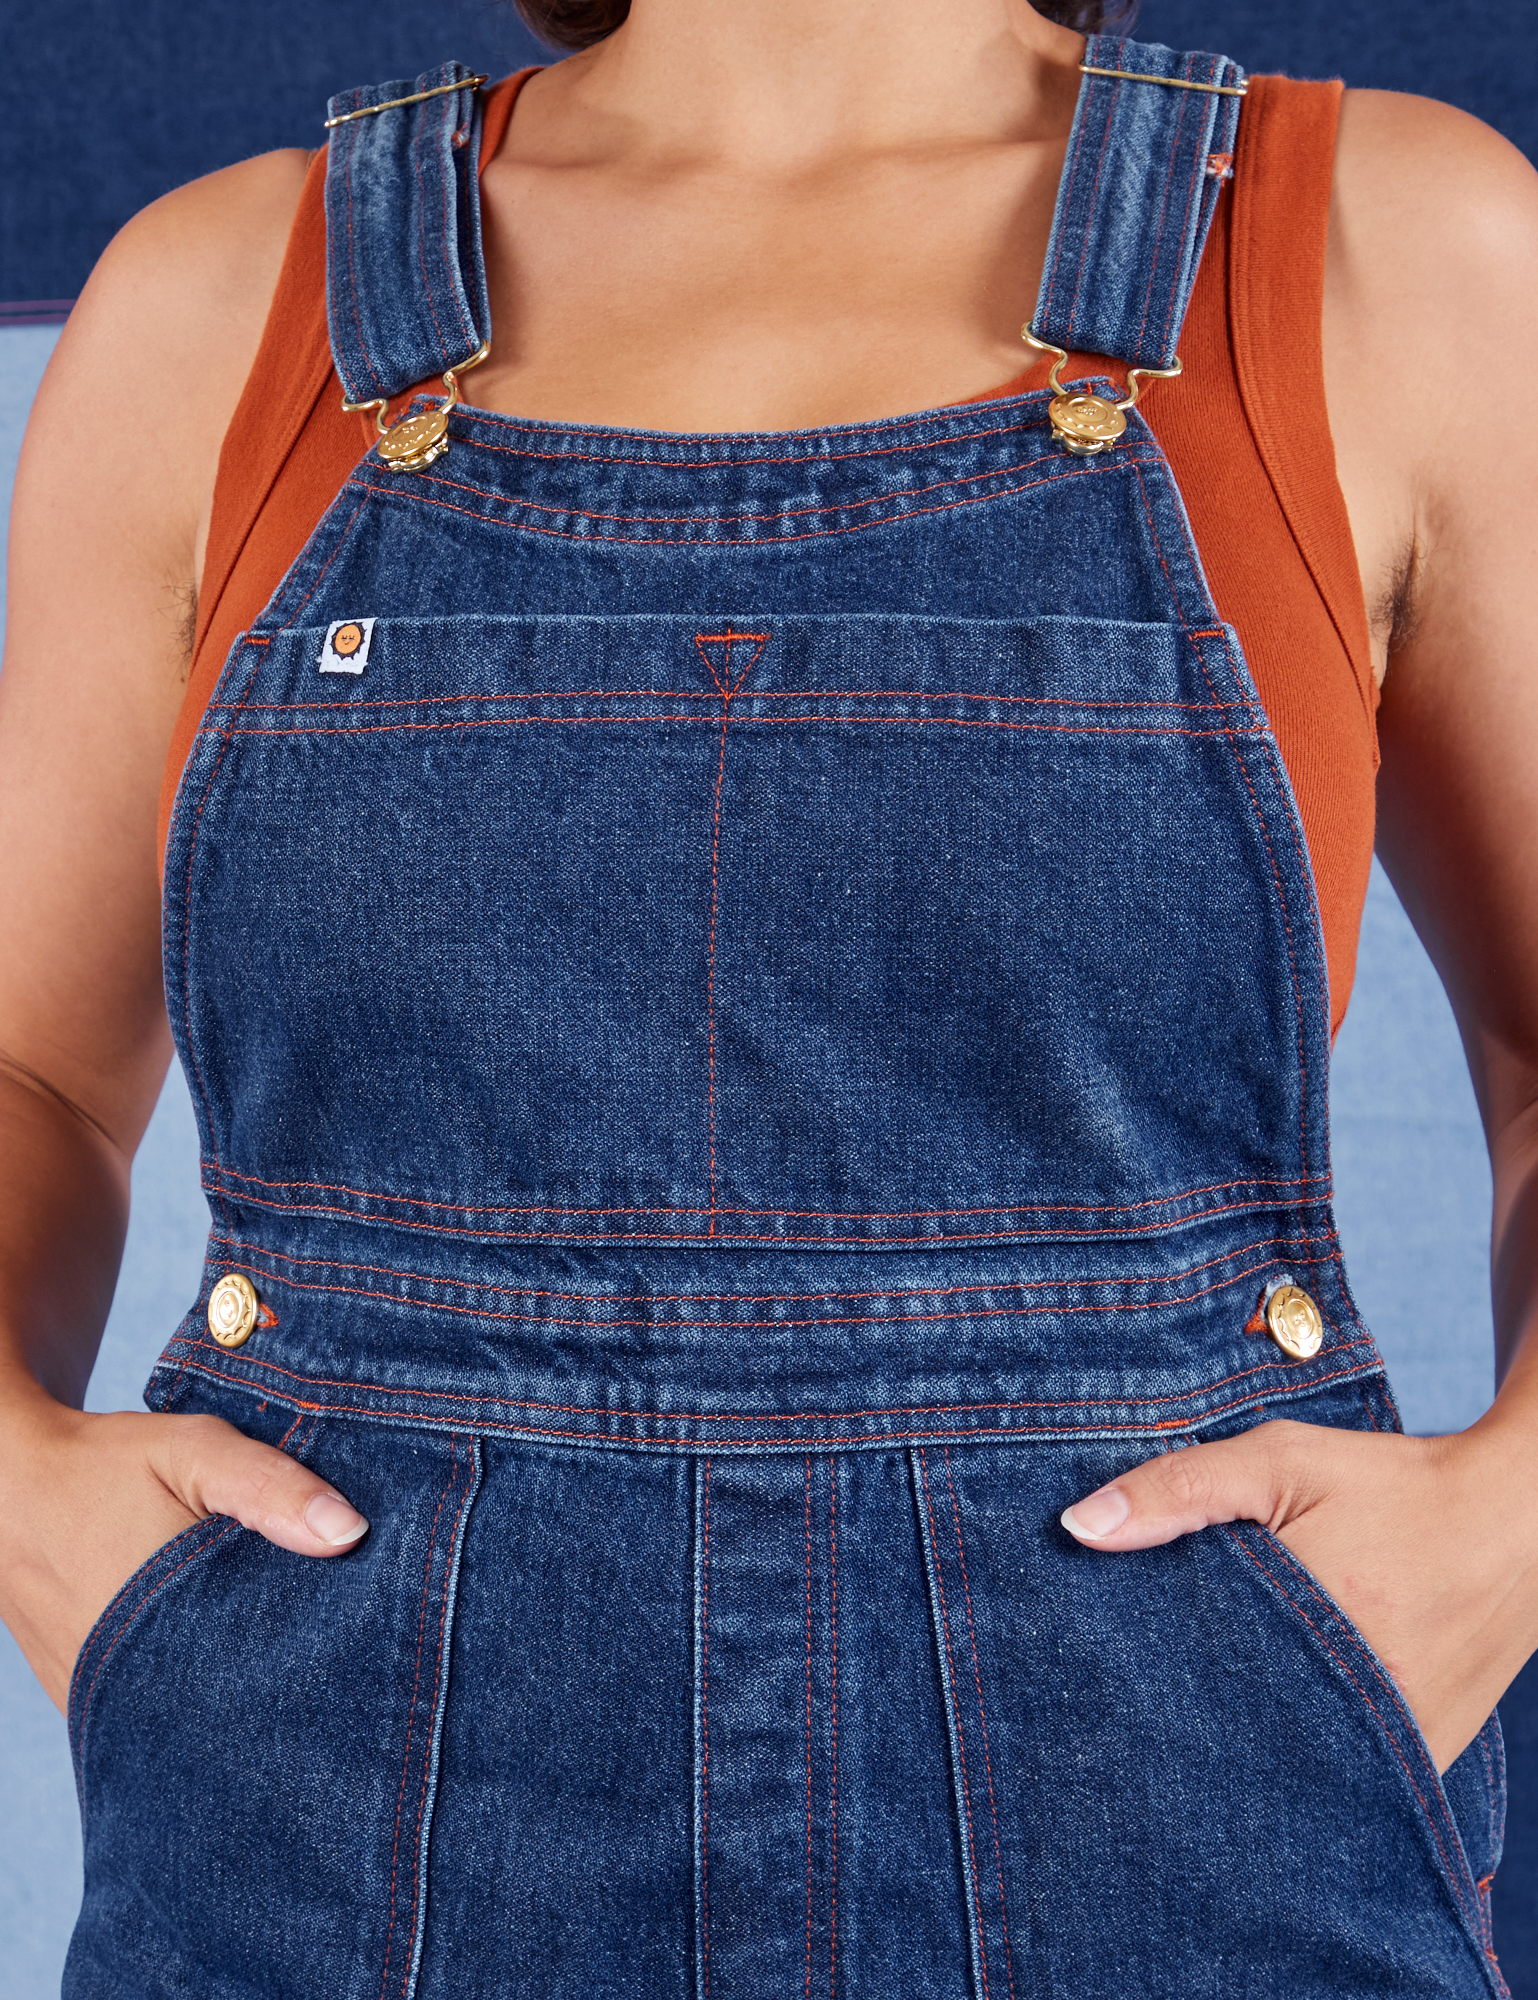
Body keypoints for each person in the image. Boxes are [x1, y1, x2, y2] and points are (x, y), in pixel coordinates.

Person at [2, 0, 1537, 1990]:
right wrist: (23, 1497)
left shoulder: (1385, 251)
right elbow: (32, 1066)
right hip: (330, 1817)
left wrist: (1501, 1534)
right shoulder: (224, 301)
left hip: (1186, 1803)